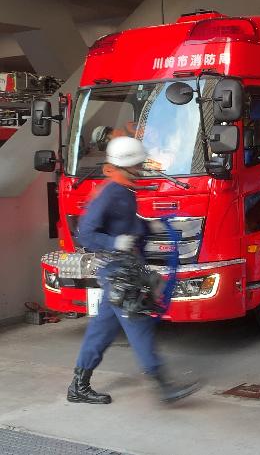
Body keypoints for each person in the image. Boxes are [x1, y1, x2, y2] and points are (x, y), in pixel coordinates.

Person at [67, 136, 200, 405]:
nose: (140, 170)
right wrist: (114, 242)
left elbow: (130, 225)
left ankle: (78, 386)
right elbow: (85, 233)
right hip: (119, 273)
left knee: (101, 330)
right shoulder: (108, 193)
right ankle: (164, 387)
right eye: (137, 166)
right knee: (138, 325)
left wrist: (155, 228)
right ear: (123, 167)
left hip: (124, 269)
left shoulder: (125, 192)